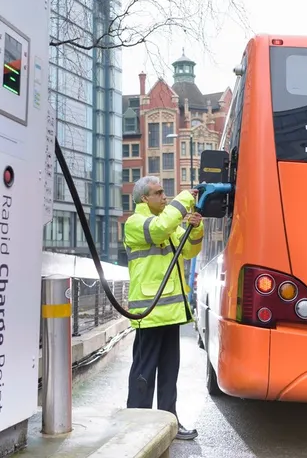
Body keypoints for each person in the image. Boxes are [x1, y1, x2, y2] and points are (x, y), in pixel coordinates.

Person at [123, 175, 204, 441]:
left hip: (169, 312)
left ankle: (170, 422)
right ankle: (137, 425)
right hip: (149, 314)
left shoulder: (168, 225)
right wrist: (185, 199)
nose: (164, 196)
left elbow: (190, 251)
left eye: (164, 193)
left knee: (170, 373)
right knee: (144, 372)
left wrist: (195, 229)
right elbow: (159, 229)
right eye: (158, 193)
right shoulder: (136, 223)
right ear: (144, 198)